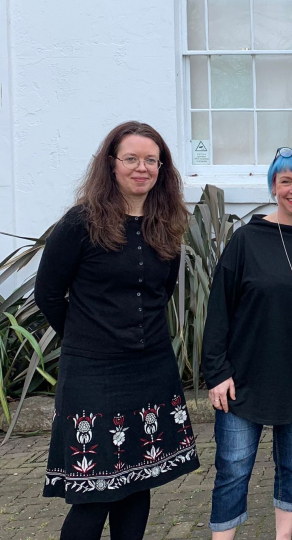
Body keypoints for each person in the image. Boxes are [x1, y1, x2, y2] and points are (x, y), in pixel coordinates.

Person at [34, 121, 198, 540]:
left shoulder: (167, 224)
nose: (141, 168)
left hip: (150, 369)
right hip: (93, 374)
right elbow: (48, 294)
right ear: (112, 164)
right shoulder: (81, 222)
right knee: (95, 494)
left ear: (162, 168)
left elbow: (162, 292)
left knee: (136, 484)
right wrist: (88, 337)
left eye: (151, 160)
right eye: (131, 159)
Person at [201, 148, 292, 540]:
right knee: (232, 469)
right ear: (273, 187)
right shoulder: (247, 239)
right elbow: (218, 311)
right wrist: (217, 372)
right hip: (242, 378)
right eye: (286, 182)